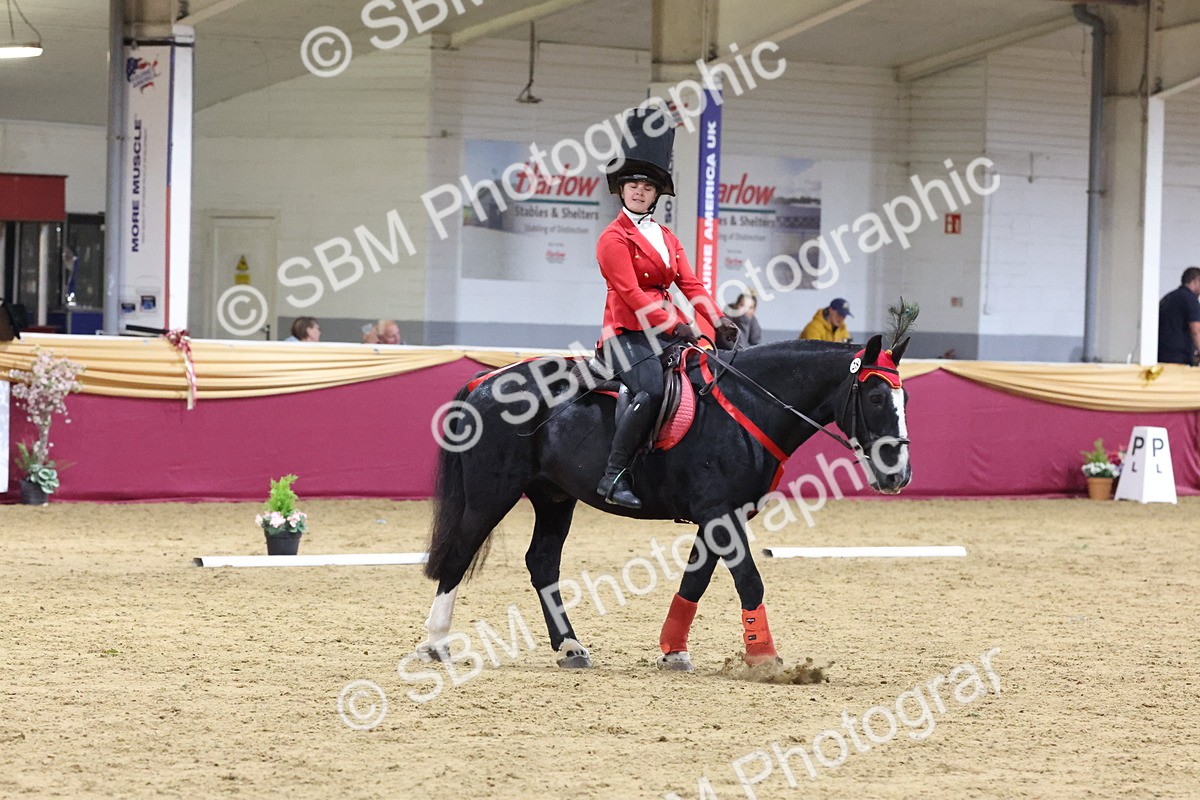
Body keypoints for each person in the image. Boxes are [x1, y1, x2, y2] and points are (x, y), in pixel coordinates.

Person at [595, 117, 738, 509]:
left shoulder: (667, 237)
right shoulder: (613, 238)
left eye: (646, 187)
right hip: (625, 334)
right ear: (621, 189)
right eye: (632, 185)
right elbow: (631, 294)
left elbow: (690, 285)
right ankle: (614, 475)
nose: (639, 192)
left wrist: (718, 320)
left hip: (665, 331)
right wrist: (676, 325)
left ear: (656, 194)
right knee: (652, 389)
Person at [1157, 267, 1200, 365]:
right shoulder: (1190, 299)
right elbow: (1196, 330)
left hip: (1161, 355)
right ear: (1197, 280)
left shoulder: (1168, 298)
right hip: (1179, 358)